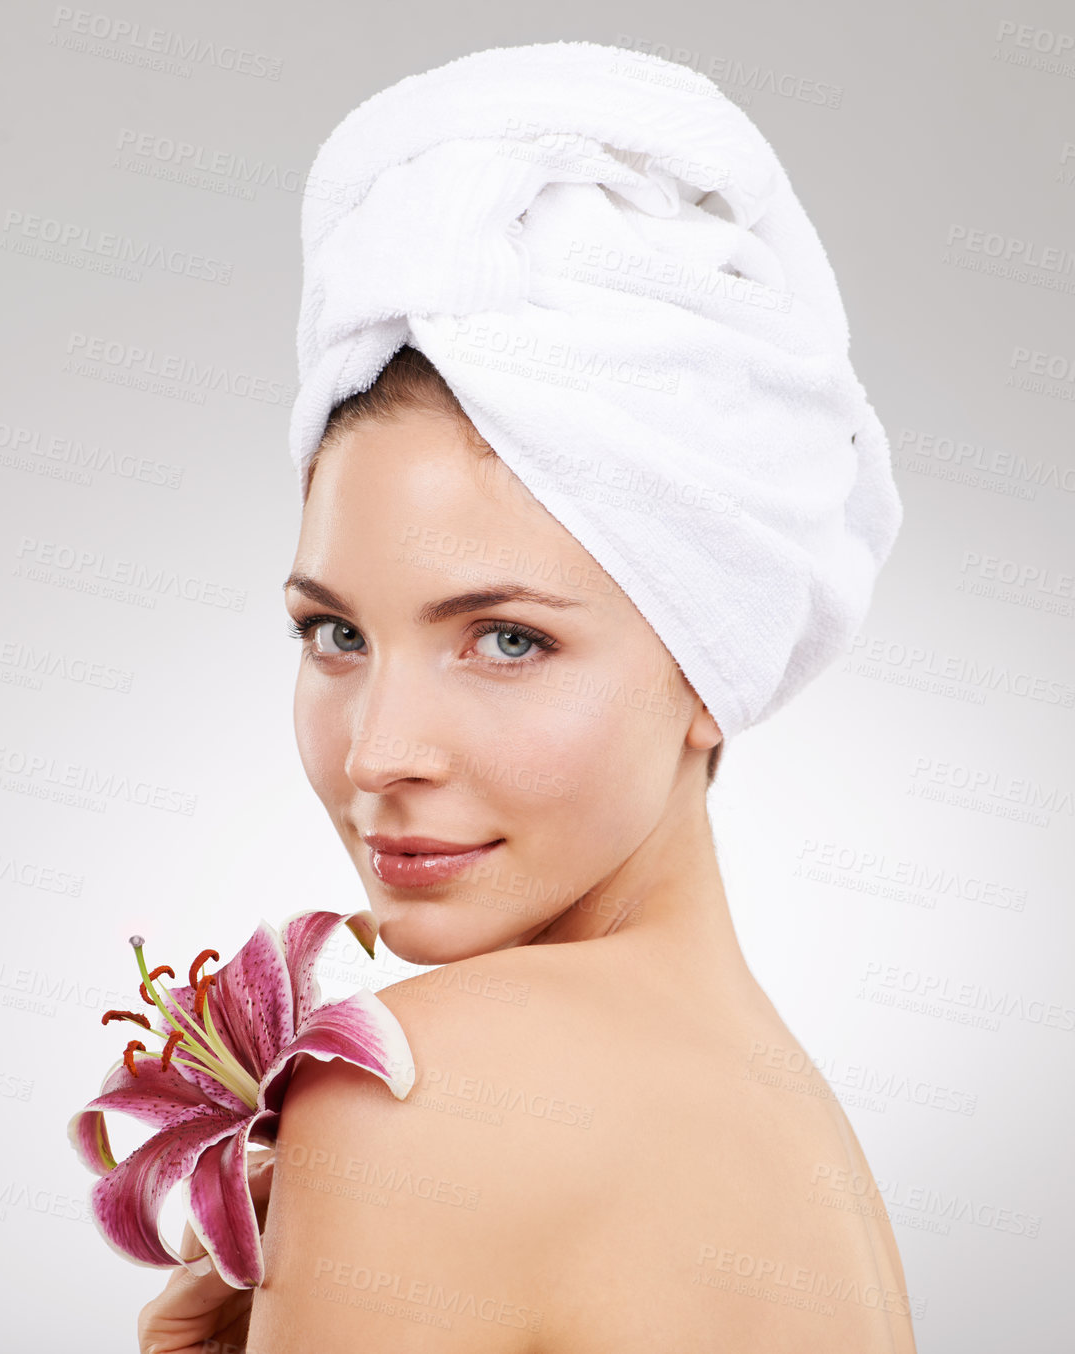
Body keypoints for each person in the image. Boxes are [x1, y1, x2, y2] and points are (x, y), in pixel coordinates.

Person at [137, 39, 913, 1353]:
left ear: (705, 668)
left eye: (504, 639)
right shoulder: (806, 1147)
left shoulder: (418, 1091)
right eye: (334, 630)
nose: (379, 751)